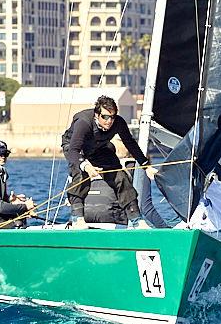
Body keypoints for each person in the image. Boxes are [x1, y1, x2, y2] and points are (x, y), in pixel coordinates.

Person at [61, 95, 157, 229]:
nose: (109, 121)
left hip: (98, 148)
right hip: (76, 149)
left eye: (112, 117)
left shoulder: (118, 122)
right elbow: (73, 150)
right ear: (97, 114)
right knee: (80, 175)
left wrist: (146, 166)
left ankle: (136, 220)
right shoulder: (84, 122)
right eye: (105, 117)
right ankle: (78, 219)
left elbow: (130, 144)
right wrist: (86, 165)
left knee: (120, 177)